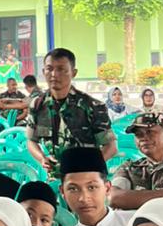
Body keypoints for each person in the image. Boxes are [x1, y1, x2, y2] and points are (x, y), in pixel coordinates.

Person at [26, 48, 116, 177]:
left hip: (87, 178)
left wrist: (87, 167)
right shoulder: (37, 105)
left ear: (73, 73)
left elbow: (111, 147)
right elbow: (31, 141)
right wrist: (42, 158)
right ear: (43, 71)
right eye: (49, 69)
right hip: (55, 177)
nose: (54, 74)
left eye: (61, 69)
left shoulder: (92, 106)